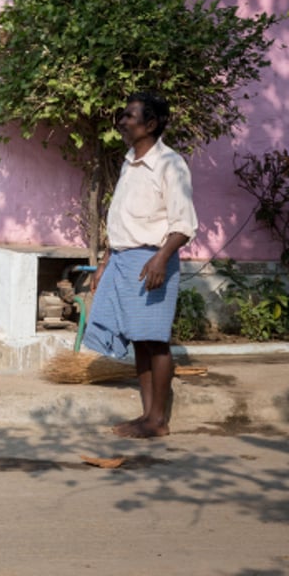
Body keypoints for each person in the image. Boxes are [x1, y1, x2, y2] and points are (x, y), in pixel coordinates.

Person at [84, 91, 198, 439]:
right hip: (122, 259)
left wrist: (161, 259)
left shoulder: (170, 164)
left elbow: (184, 224)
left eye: (130, 116)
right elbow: (121, 221)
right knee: (139, 341)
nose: (122, 121)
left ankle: (157, 420)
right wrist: (106, 262)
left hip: (153, 260)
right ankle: (147, 416)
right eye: (123, 115)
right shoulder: (129, 161)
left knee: (155, 340)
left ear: (151, 124)